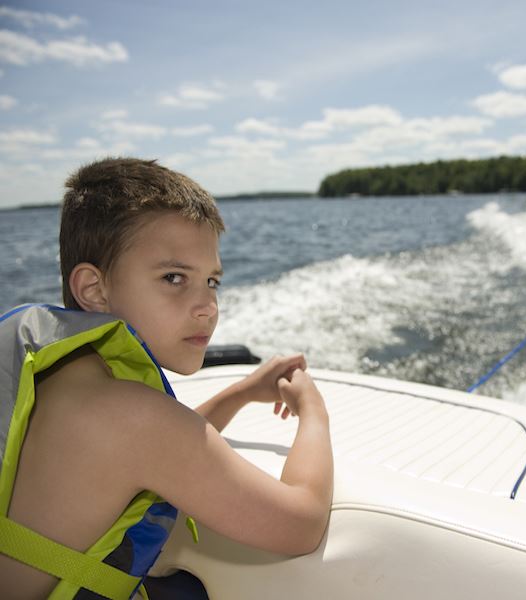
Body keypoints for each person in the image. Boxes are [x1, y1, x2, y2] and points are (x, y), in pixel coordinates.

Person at [0, 158, 334, 599]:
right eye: (174, 277)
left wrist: (243, 392)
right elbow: (302, 522)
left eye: (212, 281)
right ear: (94, 290)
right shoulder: (135, 419)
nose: (206, 306)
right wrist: (314, 413)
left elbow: (159, 445)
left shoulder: (64, 375)